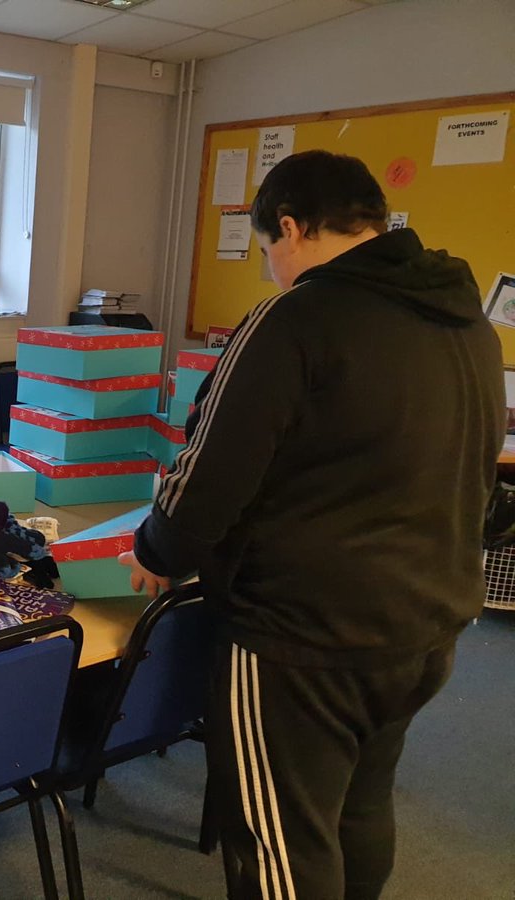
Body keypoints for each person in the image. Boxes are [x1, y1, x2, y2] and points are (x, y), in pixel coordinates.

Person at [120, 151, 504, 899]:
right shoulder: (466, 322)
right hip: (428, 625)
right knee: (358, 808)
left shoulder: (294, 319)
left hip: (302, 638)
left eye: (268, 250)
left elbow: (206, 480)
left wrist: (156, 547)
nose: (272, 268)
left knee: (280, 842)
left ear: (291, 228)